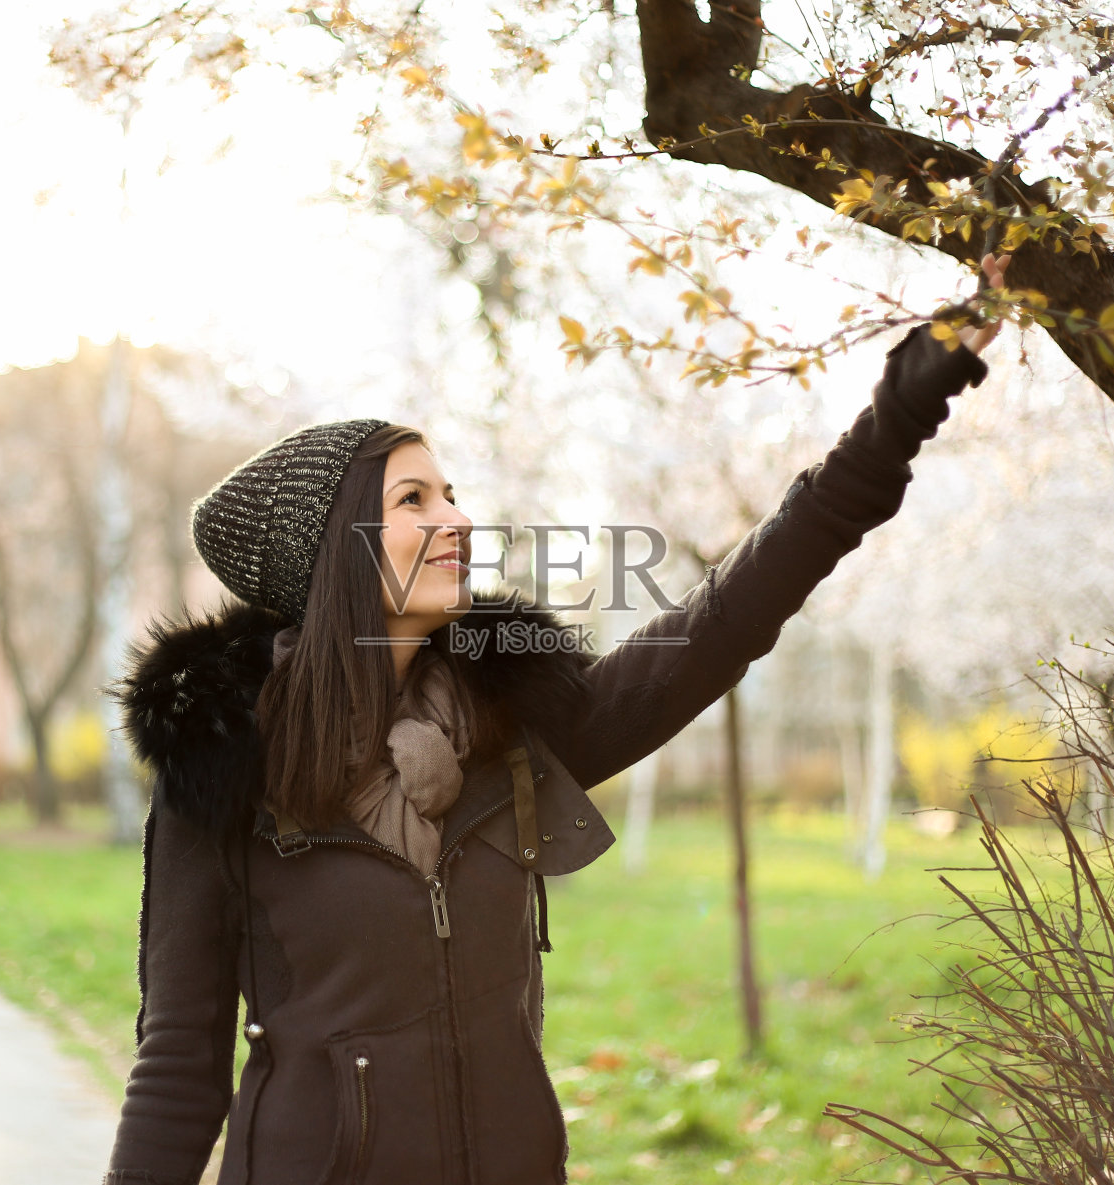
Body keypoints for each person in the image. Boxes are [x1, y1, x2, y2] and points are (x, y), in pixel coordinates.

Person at [104, 258, 1008, 1185]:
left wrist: (899, 417)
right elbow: (178, 1064)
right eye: (413, 499)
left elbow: (720, 623)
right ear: (337, 551)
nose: (455, 518)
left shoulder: (515, 727)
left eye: (450, 492)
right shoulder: (225, 772)